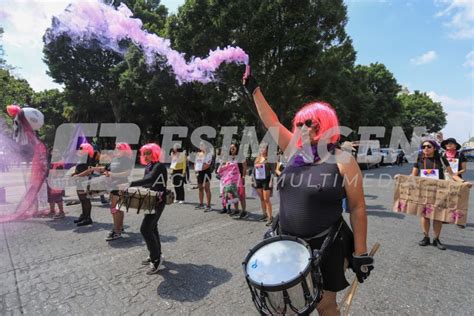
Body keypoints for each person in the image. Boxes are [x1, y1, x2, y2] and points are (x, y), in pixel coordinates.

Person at [243, 66, 373, 315]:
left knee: (325, 306)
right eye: (300, 122)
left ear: (325, 124)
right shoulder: (294, 151)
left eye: (310, 122)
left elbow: (357, 208)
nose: (304, 126)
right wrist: (254, 90)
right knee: (285, 307)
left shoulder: (343, 159)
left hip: (326, 246)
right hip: (286, 243)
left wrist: (360, 253)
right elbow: (271, 122)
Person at [411, 139, 470, 250]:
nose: (426, 149)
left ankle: (436, 239)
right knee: (425, 215)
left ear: (434, 148)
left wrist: (463, 182)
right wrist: (401, 179)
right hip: (424, 192)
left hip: (440, 192)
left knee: (438, 216)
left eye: (428, 146)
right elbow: (413, 176)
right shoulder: (419, 159)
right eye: (423, 147)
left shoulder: (441, 159)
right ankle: (426, 237)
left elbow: (452, 175)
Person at [128, 143, 167, 274]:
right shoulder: (149, 166)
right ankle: (156, 255)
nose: (146, 155)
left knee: (145, 229)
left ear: (155, 153)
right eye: (144, 153)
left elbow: (150, 179)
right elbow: (148, 182)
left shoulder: (159, 166)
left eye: (148, 153)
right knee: (152, 227)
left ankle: (156, 260)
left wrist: (131, 183)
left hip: (158, 201)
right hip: (150, 199)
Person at [94, 142, 134, 241]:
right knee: (117, 208)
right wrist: (99, 170)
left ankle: (116, 231)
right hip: (112, 186)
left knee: (115, 208)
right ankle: (119, 227)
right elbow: (107, 170)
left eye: (119, 148)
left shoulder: (127, 159)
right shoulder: (114, 159)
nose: (117, 149)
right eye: (116, 148)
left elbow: (127, 173)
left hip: (121, 185)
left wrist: (112, 174)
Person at [72, 143, 96, 226]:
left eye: (81, 148)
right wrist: (74, 174)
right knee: (82, 200)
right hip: (79, 181)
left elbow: (89, 171)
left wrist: (78, 175)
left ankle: (88, 218)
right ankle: (83, 215)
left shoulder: (88, 158)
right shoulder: (82, 157)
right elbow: (79, 168)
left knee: (86, 200)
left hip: (85, 181)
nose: (79, 149)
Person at [252, 143, 274, 226]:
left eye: (264, 148)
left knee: (266, 199)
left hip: (266, 181)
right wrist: (253, 180)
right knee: (261, 198)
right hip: (258, 181)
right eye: (260, 147)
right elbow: (253, 171)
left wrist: (271, 181)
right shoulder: (257, 159)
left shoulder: (269, 159)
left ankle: (270, 217)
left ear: (267, 150)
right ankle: (264, 214)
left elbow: (273, 172)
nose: (262, 149)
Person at [194, 142, 213, 211]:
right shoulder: (198, 154)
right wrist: (196, 170)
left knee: (206, 189)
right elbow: (195, 163)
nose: (200, 146)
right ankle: (201, 204)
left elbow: (207, 165)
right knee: (200, 188)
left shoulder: (209, 154)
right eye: (200, 145)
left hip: (206, 172)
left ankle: (208, 205)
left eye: (202, 145)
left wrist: (199, 168)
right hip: (199, 173)